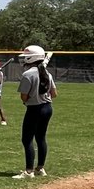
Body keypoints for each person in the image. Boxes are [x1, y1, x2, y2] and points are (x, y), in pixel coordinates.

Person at [13, 45, 57, 180]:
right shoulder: (47, 73)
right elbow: (54, 94)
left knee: (27, 139)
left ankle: (28, 171)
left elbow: (24, 96)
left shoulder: (28, 74)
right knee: (41, 138)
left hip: (34, 109)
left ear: (31, 58)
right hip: (47, 108)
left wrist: (28, 101)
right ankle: (40, 168)